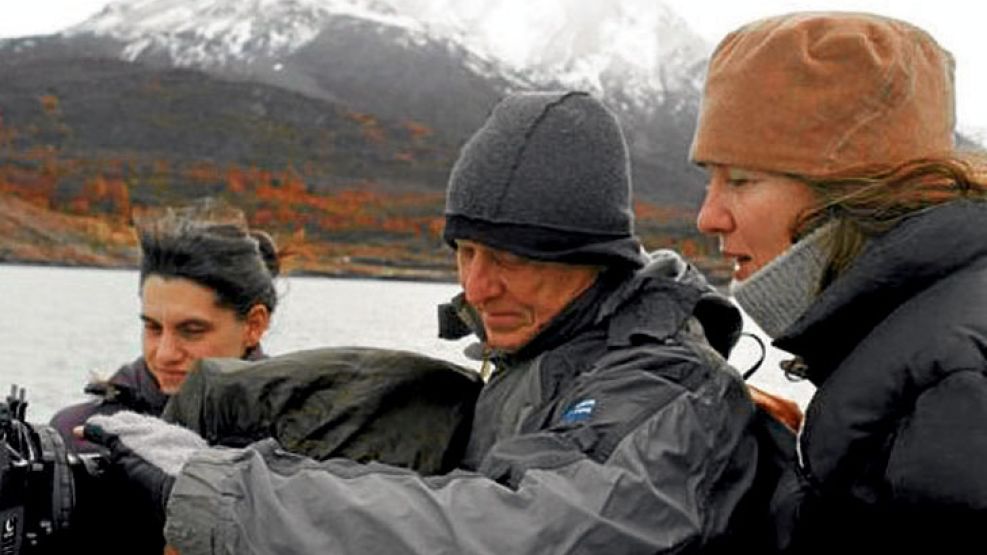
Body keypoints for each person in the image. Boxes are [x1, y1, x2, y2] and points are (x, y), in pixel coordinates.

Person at [81, 91, 766, 554]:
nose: (474, 284)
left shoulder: (665, 386)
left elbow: (520, 531)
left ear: (591, 260)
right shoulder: (544, 347)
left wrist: (217, 491)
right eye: (464, 251)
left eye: (506, 258)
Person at [690, 11, 987, 553]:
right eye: (708, 178)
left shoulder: (953, 381)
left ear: (852, 193)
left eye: (739, 180)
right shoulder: (917, 335)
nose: (707, 217)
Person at [51, 199, 280, 453]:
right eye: (153, 328)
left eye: (191, 331)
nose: (164, 354)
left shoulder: (301, 438)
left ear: (254, 325)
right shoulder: (77, 433)